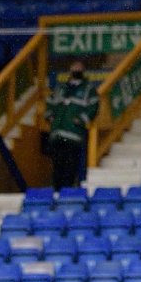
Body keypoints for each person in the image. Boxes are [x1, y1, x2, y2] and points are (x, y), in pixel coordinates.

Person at [45, 61, 98, 191]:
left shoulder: (88, 89)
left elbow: (93, 107)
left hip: (73, 134)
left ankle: (67, 191)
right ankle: (56, 191)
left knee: (70, 165)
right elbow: (50, 103)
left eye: (79, 67)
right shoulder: (60, 87)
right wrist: (50, 116)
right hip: (57, 133)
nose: (76, 69)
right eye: (74, 67)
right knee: (57, 165)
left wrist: (80, 120)